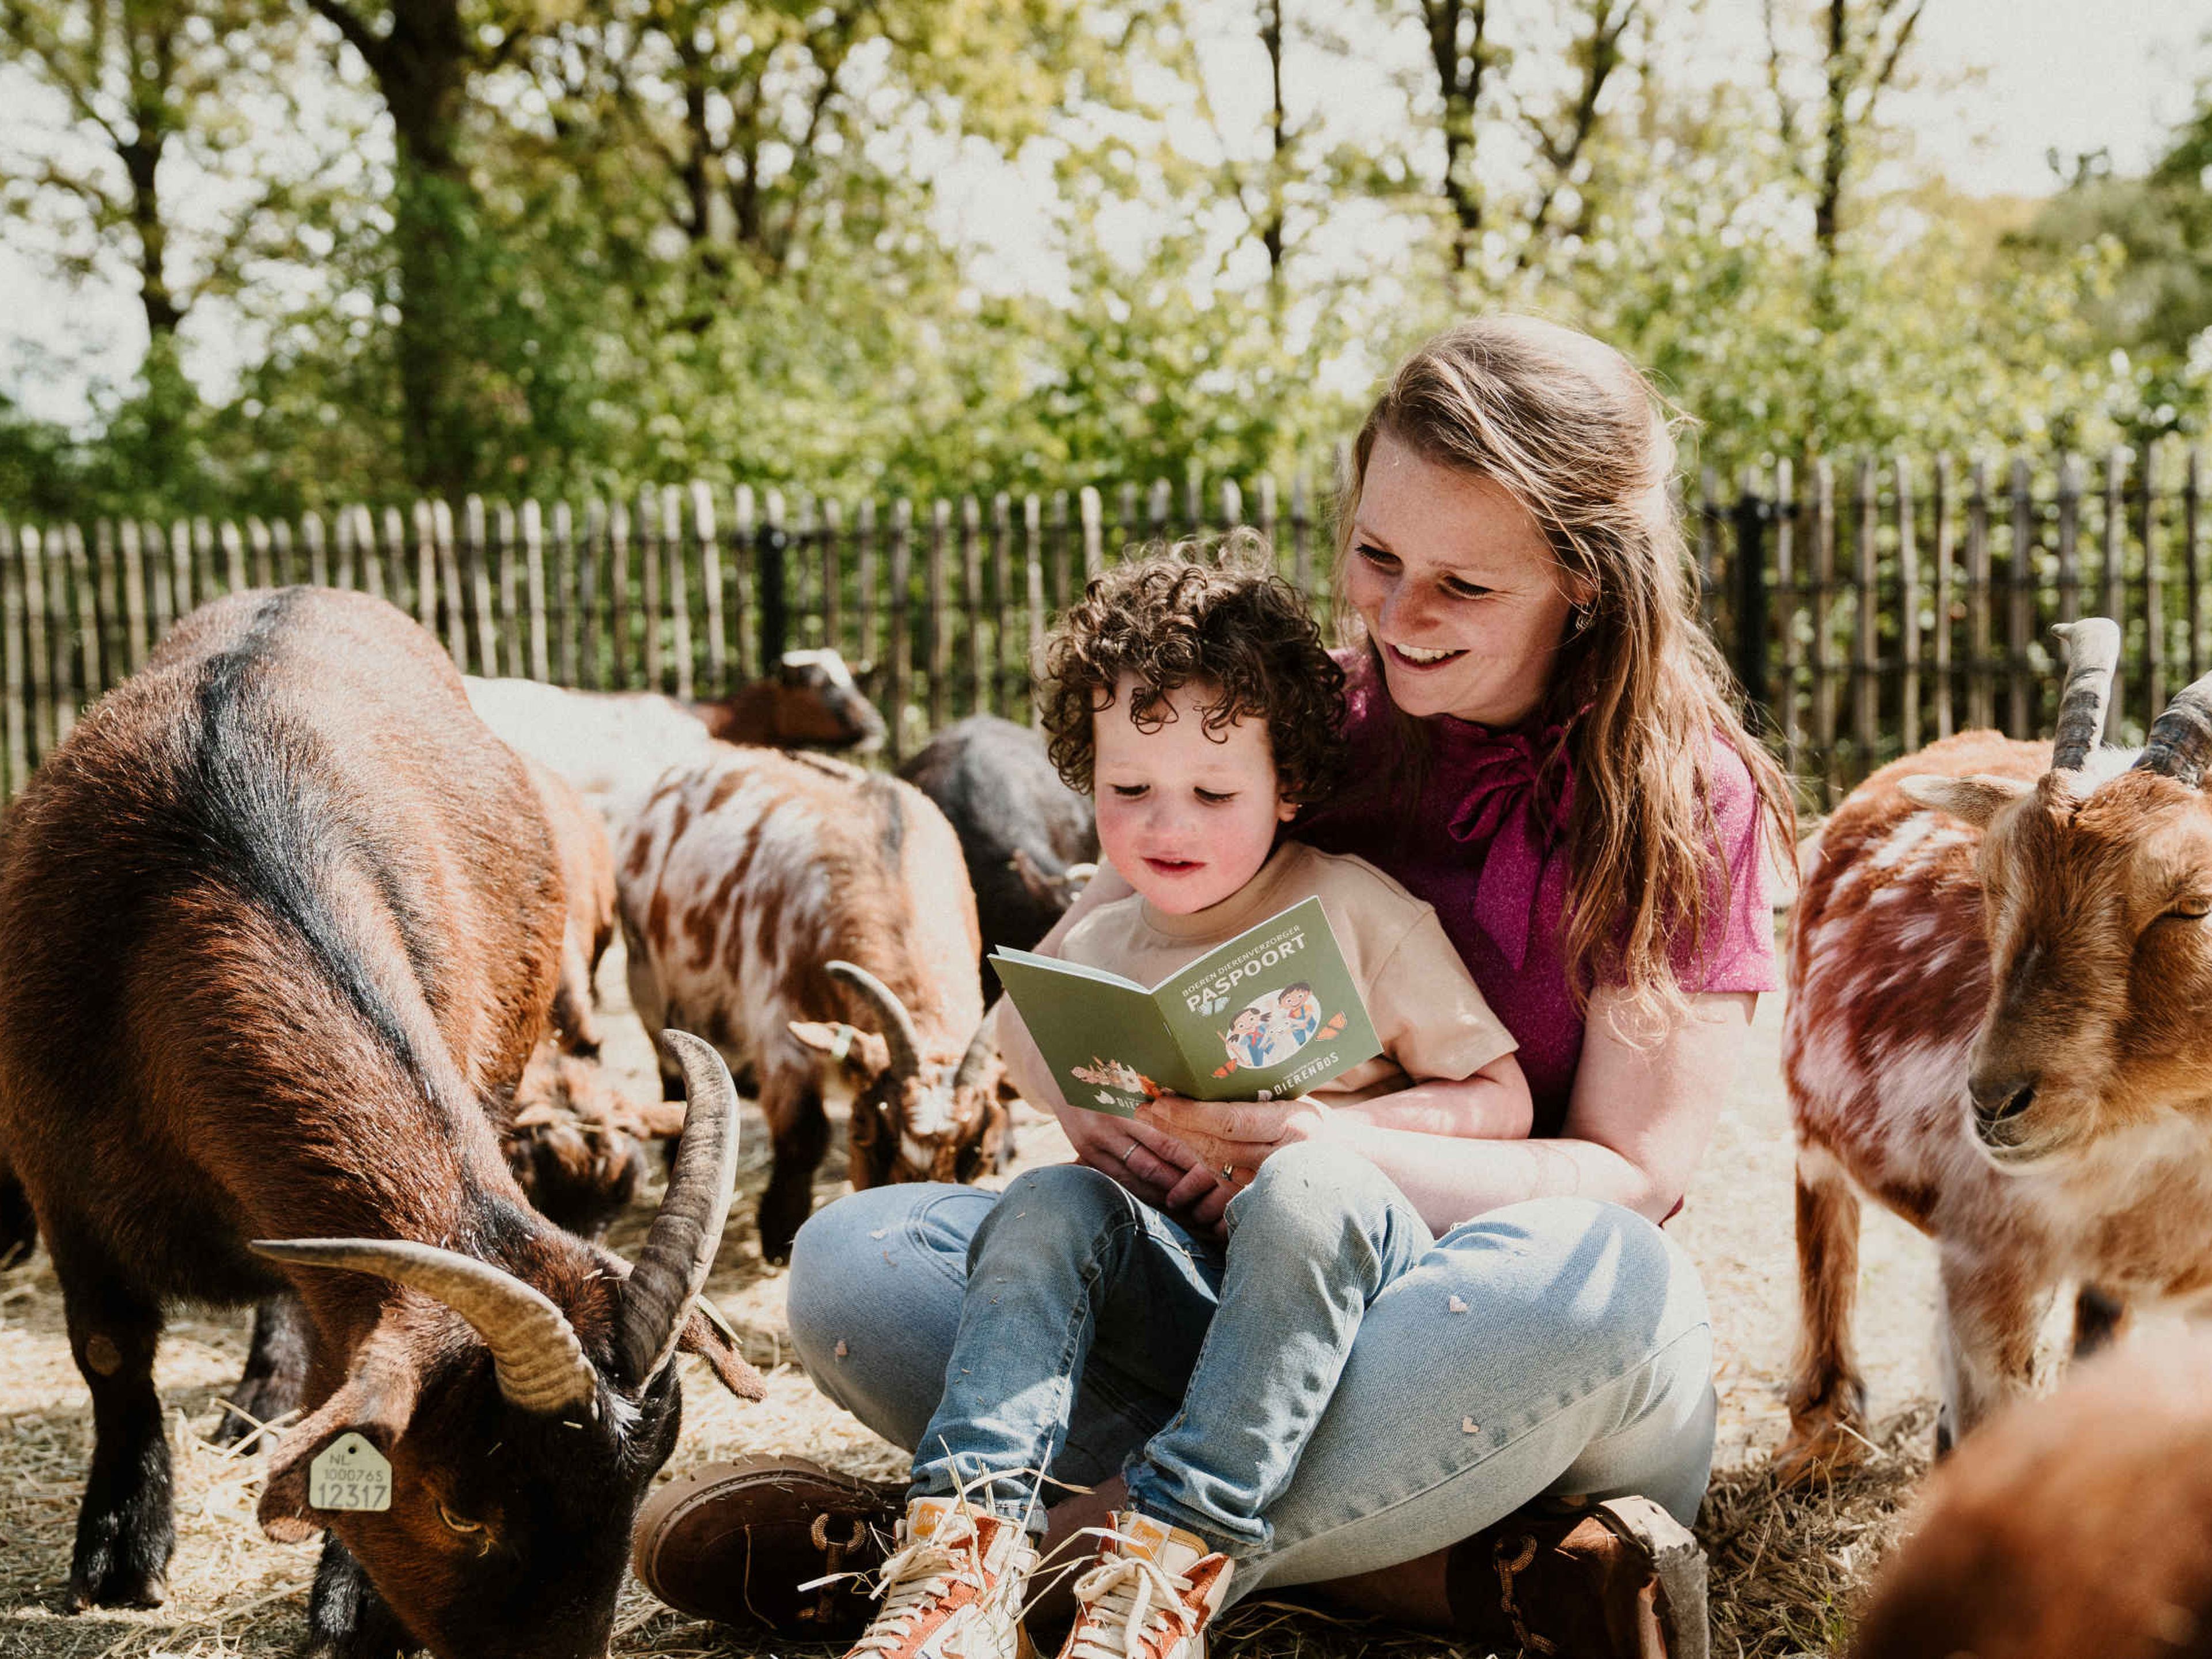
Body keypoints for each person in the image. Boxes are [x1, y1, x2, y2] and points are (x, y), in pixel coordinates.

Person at [632, 315, 1793, 1659]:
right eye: (1375, 556)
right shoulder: (1290, 720)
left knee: (1603, 1277)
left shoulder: (1686, 798)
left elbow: (1631, 1175)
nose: (1399, 621)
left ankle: (1024, 1557)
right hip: (1232, 1314)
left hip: (1478, 1342)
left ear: (1584, 583)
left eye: (1464, 589)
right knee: (856, 1260)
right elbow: (1082, 971)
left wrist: (1330, 1145)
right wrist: (1106, 1115)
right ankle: (1478, 1580)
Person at [827, 544, 1535, 1659]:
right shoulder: (1101, 940)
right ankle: (962, 1559)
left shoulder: (1354, 913)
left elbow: (1498, 1096)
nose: (1169, 827)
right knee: (1050, 1202)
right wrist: (1087, 1117)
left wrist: (1336, 1132)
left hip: (1359, 1302)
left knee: (1308, 1187)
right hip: (1184, 1286)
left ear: (1288, 786)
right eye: (1127, 792)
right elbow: (1015, 1035)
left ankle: (1168, 1564)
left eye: (1214, 793)